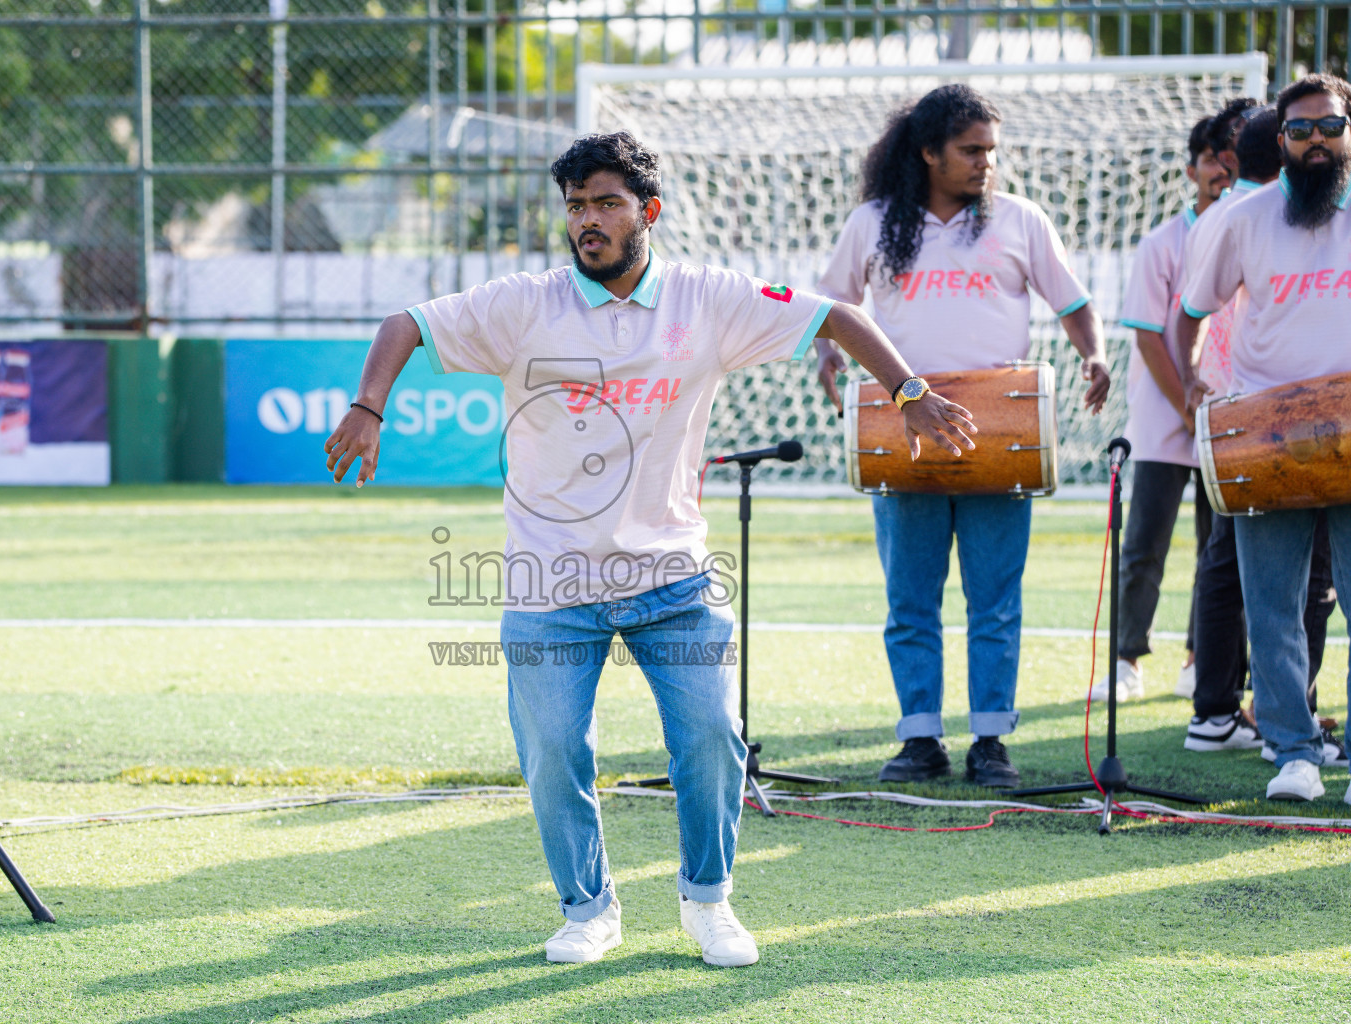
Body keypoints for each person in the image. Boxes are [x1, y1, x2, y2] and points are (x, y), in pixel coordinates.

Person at [322, 131, 976, 965]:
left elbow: (838, 317)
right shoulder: (524, 303)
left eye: (606, 203)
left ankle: (709, 902)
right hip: (549, 583)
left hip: (674, 576)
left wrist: (909, 391)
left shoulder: (707, 298)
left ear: (649, 211)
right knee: (554, 753)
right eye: (575, 207)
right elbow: (406, 325)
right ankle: (587, 910)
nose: (586, 222)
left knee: (712, 738)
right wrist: (368, 408)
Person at [816, 84, 1110, 789]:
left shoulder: (1020, 218)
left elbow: (1073, 303)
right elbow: (833, 308)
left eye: (992, 151)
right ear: (928, 152)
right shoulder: (872, 222)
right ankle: (920, 739)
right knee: (910, 601)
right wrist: (827, 356)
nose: (986, 163)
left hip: (999, 430)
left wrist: (1094, 355)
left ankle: (990, 741)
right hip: (902, 430)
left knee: (995, 601)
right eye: (971, 150)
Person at [1177, 73, 1351, 803]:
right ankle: (1294, 752)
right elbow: (1190, 313)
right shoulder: (1241, 218)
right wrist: (1191, 382)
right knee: (1274, 607)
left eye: (1330, 127)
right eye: (1301, 130)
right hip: (1266, 436)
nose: (1317, 141)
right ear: (1280, 141)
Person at [1100, 115, 1230, 704]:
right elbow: (1150, 335)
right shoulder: (1161, 243)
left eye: (1229, 157)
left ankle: (1201, 660)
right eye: (1211, 158)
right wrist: (1185, 407)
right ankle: (1126, 660)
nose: (1221, 169)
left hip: (1229, 418)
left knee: (1218, 550)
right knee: (1144, 545)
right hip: (1163, 419)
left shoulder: (1250, 230)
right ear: (1191, 169)